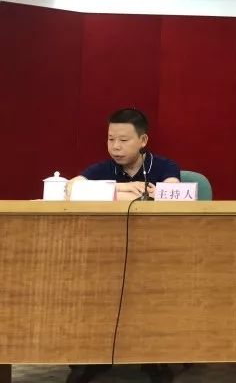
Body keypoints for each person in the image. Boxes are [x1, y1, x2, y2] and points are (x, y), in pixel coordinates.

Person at [65, 108, 180, 383]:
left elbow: (172, 193)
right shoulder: (103, 169)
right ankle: (94, 356)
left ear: (143, 140)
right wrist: (121, 189)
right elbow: (72, 188)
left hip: (156, 253)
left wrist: (111, 193)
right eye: (110, 139)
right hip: (105, 253)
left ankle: (153, 358)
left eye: (123, 140)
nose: (115, 147)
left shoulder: (163, 166)